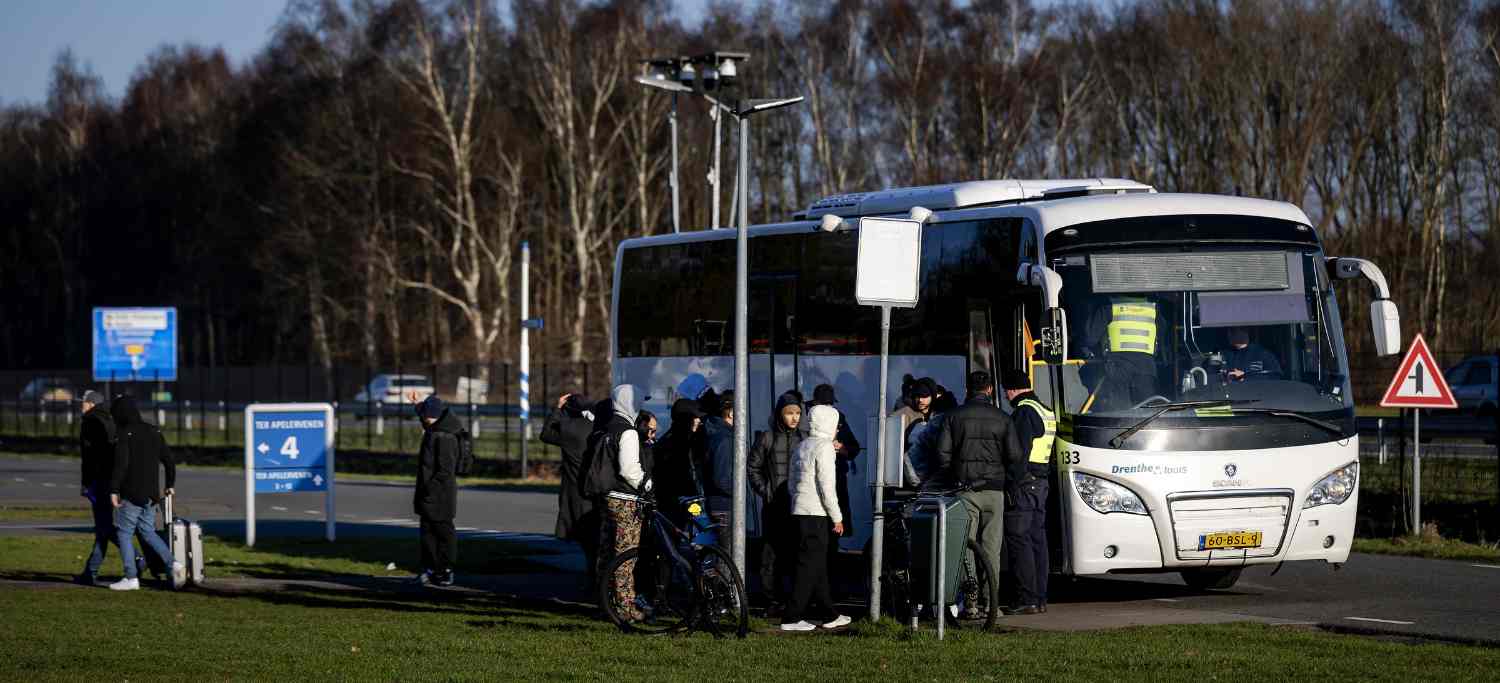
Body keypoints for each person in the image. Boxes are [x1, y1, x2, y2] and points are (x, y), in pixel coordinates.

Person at [935, 371, 1025, 615]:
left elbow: (942, 454)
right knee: (991, 550)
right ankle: (991, 603)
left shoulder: (953, 416)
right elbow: (1015, 455)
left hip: (965, 491)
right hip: (994, 491)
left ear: (967, 390)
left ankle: (970, 602)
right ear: (990, 390)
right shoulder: (1003, 418)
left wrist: (953, 476)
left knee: (966, 546)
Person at [781, 404, 852, 632]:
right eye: (836, 425)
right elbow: (826, 486)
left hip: (799, 510)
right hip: (816, 513)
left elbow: (791, 481)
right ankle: (791, 618)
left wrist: (796, 501)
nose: (838, 429)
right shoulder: (825, 448)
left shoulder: (803, 445)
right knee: (808, 567)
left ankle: (829, 614)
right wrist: (837, 517)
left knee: (816, 565)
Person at [106, 394, 181, 591]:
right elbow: (169, 460)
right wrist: (170, 484)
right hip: (152, 494)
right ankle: (173, 563)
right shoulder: (154, 430)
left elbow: (121, 465)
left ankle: (131, 577)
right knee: (148, 531)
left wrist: (114, 490)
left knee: (124, 533)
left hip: (132, 493)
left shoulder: (124, 434)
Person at [1000, 369, 1055, 616]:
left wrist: (1011, 483)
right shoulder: (1045, 409)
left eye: (1006, 391)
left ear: (1012, 390)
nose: (1006, 396)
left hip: (1024, 483)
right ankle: (1040, 598)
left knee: (1019, 540)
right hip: (1040, 482)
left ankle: (1025, 599)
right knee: (1037, 541)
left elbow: (1018, 453)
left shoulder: (1024, 411)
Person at [597, 384, 651, 622]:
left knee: (607, 552)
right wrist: (647, 485)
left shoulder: (608, 427)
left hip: (608, 497)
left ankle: (605, 602)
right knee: (626, 556)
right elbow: (629, 470)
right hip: (626, 500)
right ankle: (625, 607)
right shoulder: (628, 432)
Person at [748, 390, 805, 608]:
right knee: (770, 553)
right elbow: (753, 468)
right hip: (774, 506)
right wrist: (766, 491)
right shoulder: (767, 437)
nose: (794, 418)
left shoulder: (804, 438)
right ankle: (771, 598)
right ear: (780, 414)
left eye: (797, 413)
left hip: (797, 506)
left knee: (793, 552)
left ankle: (792, 598)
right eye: (790, 413)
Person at [541, 393, 597, 585]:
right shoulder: (597, 426)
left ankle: (592, 573)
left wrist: (557, 409)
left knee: (583, 533)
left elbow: (546, 434)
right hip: (596, 486)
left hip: (574, 488)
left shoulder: (568, 429)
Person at [409, 393, 462, 587]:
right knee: (427, 533)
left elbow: (445, 471)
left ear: (435, 416)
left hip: (440, 495)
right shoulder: (435, 428)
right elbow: (426, 419)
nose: (424, 419)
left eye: (426, 415)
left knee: (443, 533)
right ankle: (430, 569)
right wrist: (417, 405)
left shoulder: (445, 437)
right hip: (429, 493)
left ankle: (445, 570)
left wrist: (429, 489)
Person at [803, 384, 860, 560]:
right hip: (811, 480)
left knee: (833, 531)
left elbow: (854, 447)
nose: (827, 409)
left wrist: (842, 448)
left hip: (836, 477)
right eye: (824, 404)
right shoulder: (804, 416)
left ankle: (830, 562)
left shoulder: (838, 417)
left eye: (829, 404)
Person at [1081, 295, 1161, 410]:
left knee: (1120, 414)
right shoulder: (1153, 307)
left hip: (1118, 368)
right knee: (1148, 413)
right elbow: (1163, 337)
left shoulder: (1108, 306)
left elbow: (1089, 338)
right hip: (1146, 369)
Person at [651, 399, 706, 526]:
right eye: (695, 417)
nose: (698, 420)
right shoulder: (677, 444)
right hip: (677, 506)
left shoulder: (679, 440)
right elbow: (677, 477)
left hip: (679, 504)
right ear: (686, 419)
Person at [702, 391, 736, 552]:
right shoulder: (725, 438)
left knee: (720, 554)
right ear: (731, 413)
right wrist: (739, 492)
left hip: (718, 504)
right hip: (724, 506)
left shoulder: (716, 432)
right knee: (726, 556)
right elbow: (722, 478)